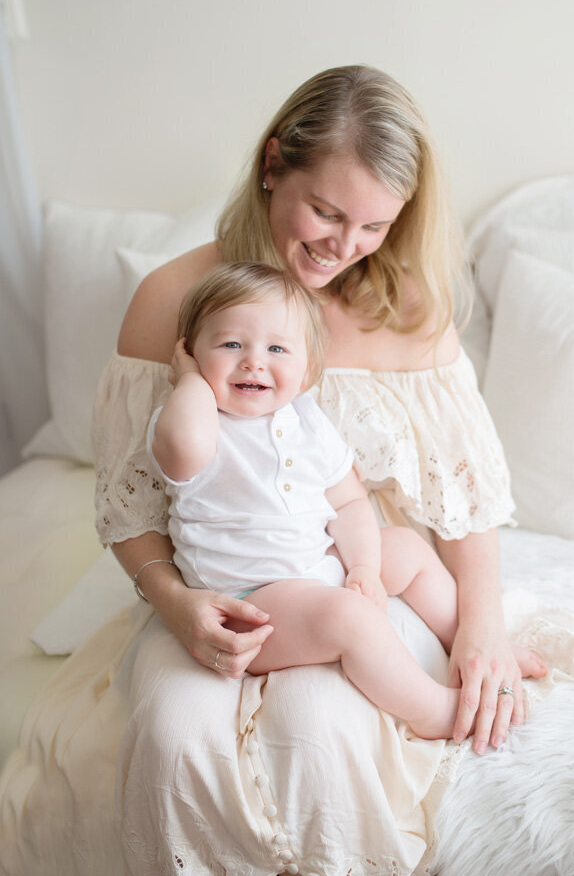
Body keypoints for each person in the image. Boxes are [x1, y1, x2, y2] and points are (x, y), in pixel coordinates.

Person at [95, 64, 547, 872]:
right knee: (172, 736)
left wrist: (481, 626)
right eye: (327, 212)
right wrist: (176, 604)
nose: (344, 247)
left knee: (318, 733)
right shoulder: (176, 299)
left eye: (374, 227)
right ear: (274, 166)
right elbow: (130, 504)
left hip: (353, 567)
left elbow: (467, 497)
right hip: (220, 575)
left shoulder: (410, 309)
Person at [149, 259, 496, 740]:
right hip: (251, 604)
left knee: (406, 547)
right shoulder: (196, 419)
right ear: (189, 352)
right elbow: (182, 450)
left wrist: (364, 569)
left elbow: (350, 504)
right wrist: (188, 380)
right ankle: (431, 710)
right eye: (231, 344)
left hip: (316, 563)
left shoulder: (307, 418)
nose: (253, 361)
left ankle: (470, 645)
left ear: (307, 367)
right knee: (347, 618)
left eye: (276, 348)